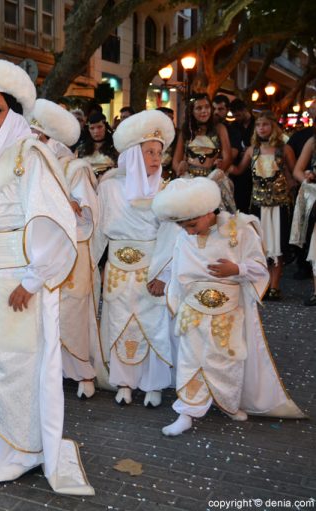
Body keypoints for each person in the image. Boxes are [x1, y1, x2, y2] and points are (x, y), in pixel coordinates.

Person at [0, 59, 92, 495]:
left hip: (15, 279)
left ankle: (23, 451)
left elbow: (52, 219)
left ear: (12, 111)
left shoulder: (30, 154)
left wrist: (33, 280)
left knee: (15, 366)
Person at [152, 177, 305, 436]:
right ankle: (187, 411)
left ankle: (228, 404)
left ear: (209, 212)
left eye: (192, 224)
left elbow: (258, 267)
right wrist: (166, 287)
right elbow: (177, 269)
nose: (188, 231)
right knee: (191, 360)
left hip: (228, 314)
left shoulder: (241, 229)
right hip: (194, 314)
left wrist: (236, 269)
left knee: (227, 359)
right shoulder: (184, 237)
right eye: (183, 226)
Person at [93, 110, 179, 408]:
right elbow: (98, 233)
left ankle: (153, 384)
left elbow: (171, 239)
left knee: (153, 324)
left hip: (150, 272)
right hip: (117, 271)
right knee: (118, 322)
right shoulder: (109, 188)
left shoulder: (167, 193)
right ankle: (124, 382)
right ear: (132, 154)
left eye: (159, 152)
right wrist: (92, 266)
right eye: (149, 152)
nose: (157, 158)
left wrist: (162, 276)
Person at [28, 98, 100, 399]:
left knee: (73, 311)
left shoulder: (76, 169)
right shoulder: (32, 169)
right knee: (43, 313)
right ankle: (49, 371)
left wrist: (70, 206)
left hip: (73, 253)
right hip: (42, 252)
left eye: (41, 137)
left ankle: (83, 372)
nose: (35, 142)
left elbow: (86, 214)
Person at [231, 111, 296, 301]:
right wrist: (222, 165)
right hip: (258, 204)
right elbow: (239, 170)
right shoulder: (252, 150)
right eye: (258, 125)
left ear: (273, 127)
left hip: (279, 204)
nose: (261, 128)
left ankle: (275, 286)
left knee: (278, 246)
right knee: (261, 245)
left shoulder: (284, 150)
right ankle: (263, 284)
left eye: (265, 125)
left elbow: (294, 172)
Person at [172, 93, 235, 212]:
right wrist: (180, 169)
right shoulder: (186, 131)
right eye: (199, 108)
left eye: (207, 107)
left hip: (214, 181)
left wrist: (217, 172)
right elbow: (176, 160)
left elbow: (228, 158)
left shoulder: (219, 128)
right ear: (191, 111)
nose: (204, 111)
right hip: (189, 182)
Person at [76, 112, 118, 182]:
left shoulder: (115, 148)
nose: (96, 131)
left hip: (109, 184)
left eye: (99, 127)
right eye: (92, 128)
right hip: (85, 184)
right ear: (88, 130)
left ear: (105, 127)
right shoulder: (81, 149)